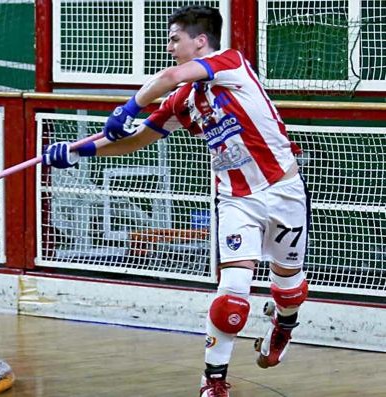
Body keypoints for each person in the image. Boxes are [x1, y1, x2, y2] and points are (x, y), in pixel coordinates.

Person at [42, 5, 309, 397]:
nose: (169, 47)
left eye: (174, 39)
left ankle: (283, 327)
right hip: (236, 199)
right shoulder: (183, 100)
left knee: (288, 291)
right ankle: (213, 381)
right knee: (232, 296)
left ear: (200, 40)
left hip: (283, 190)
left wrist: (129, 106)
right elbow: (135, 139)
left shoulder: (231, 63)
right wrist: (78, 151)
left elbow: (167, 78)